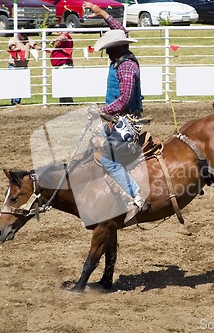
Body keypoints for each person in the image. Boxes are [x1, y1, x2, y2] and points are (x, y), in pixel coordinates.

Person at [83, 1, 145, 224]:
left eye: (109, 47)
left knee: (108, 159)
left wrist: (102, 110)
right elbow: (121, 30)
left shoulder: (127, 67)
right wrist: (100, 12)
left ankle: (136, 196)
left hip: (128, 121)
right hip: (116, 118)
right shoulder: (122, 56)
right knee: (92, 143)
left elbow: (125, 99)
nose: (107, 51)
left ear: (117, 47)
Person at [8, 30, 41, 105]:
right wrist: (14, 48)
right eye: (22, 34)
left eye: (25, 34)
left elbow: (34, 44)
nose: (24, 36)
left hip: (23, 66)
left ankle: (17, 101)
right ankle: (14, 100)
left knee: (21, 84)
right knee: (13, 84)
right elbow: (11, 45)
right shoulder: (13, 39)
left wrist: (36, 47)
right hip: (14, 65)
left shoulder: (28, 39)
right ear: (18, 34)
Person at [49, 24, 74, 105]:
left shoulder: (67, 36)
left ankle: (68, 102)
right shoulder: (61, 41)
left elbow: (64, 37)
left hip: (64, 65)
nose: (58, 32)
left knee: (65, 84)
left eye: (59, 30)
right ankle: (63, 102)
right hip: (60, 65)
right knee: (61, 85)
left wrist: (54, 39)